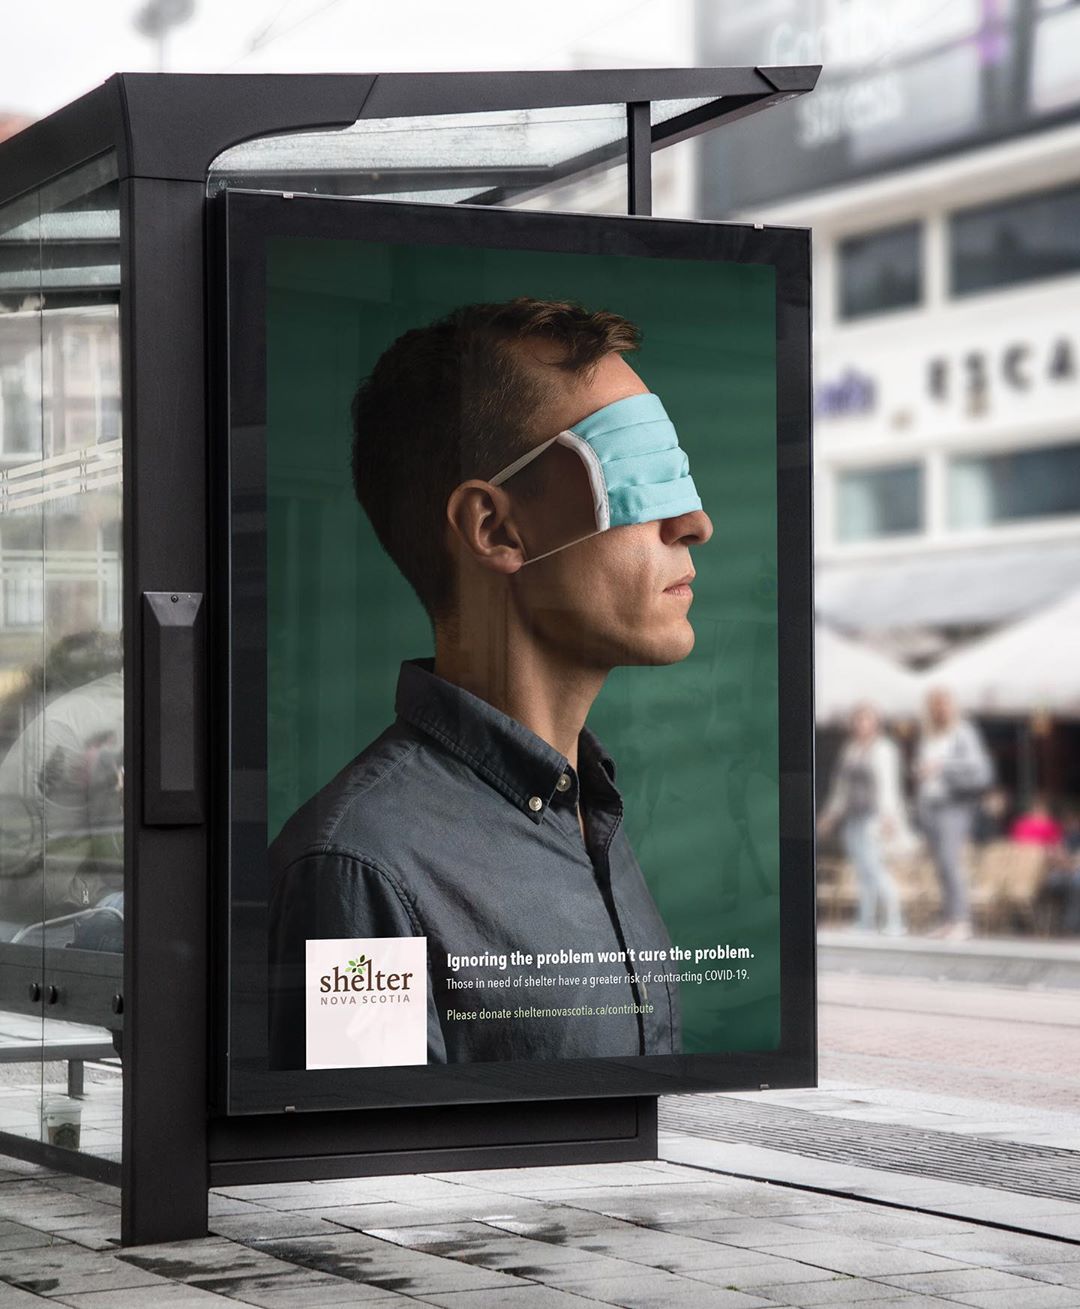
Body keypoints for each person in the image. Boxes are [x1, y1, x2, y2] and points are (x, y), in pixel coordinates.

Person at [268, 297, 714, 1068]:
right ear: (494, 529)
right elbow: (366, 1175)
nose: (694, 520)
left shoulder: (590, 814)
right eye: (643, 472)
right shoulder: (358, 873)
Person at [818, 702, 912, 936]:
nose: (861, 725)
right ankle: (865, 921)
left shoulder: (883, 749)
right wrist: (830, 815)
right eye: (858, 720)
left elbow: (888, 786)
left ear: (875, 722)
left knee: (875, 868)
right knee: (861, 871)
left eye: (866, 719)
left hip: (874, 817)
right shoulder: (850, 749)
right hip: (853, 817)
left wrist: (889, 817)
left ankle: (895, 920)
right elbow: (840, 787)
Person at [915, 687, 994, 941]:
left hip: (954, 805)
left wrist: (942, 765)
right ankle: (949, 920)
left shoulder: (963, 732)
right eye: (935, 704)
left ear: (952, 706)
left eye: (944, 704)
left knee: (951, 862)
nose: (940, 709)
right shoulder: (928, 735)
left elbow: (978, 768)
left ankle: (962, 921)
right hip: (930, 805)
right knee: (940, 866)